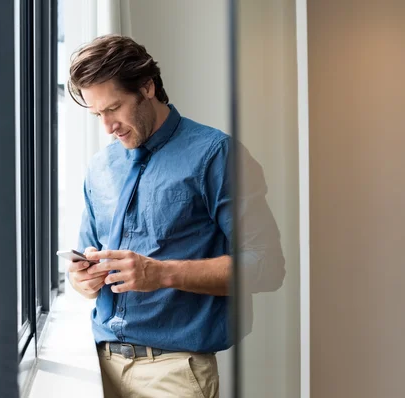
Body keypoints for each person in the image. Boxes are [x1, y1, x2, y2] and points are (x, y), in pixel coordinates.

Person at [67, 34, 285, 398]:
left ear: (147, 87)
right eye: (97, 115)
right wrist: (82, 280)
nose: (107, 127)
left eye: (114, 108)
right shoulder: (100, 166)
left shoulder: (216, 154)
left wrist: (160, 273)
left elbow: (267, 266)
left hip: (174, 375)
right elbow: (84, 261)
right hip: (97, 368)